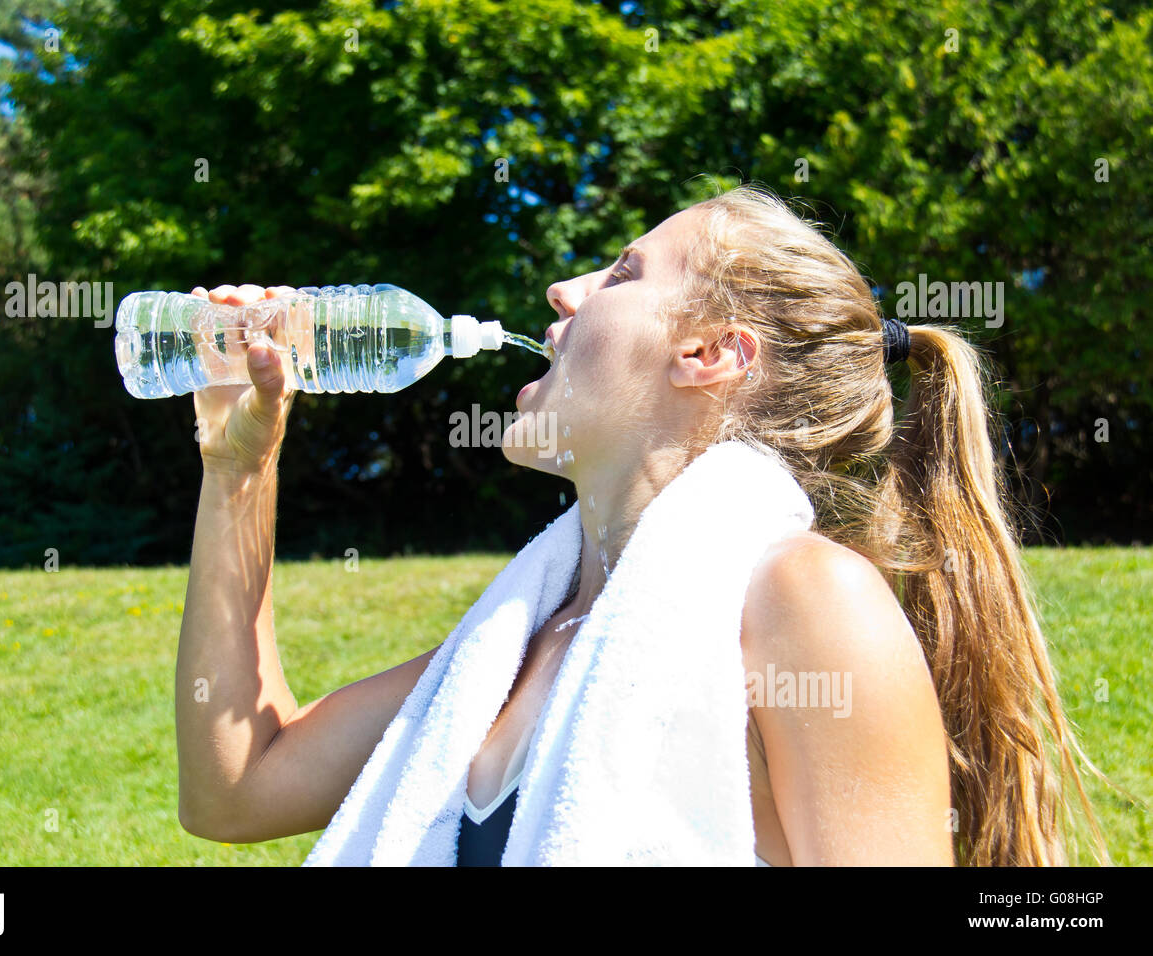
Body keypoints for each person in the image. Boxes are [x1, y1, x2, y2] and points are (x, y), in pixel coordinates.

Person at [173, 183, 1106, 866]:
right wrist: (239, 469)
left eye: (622, 271)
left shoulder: (804, 600)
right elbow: (237, 784)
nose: (564, 293)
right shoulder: (512, 648)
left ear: (708, 354)